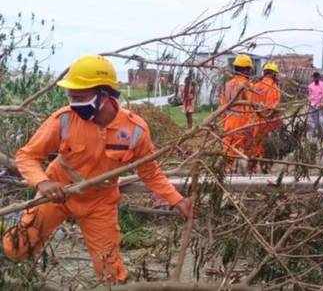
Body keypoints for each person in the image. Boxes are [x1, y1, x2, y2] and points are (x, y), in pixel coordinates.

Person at [2, 55, 192, 284]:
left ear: (104, 95)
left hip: (99, 203)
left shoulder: (135, 130)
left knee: (110, 272)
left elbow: (149, 172)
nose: (73, 102)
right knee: (16, 247)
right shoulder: (64, 120)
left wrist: (176, 199)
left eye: (79, 96)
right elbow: (27, 156)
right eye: (71, 96)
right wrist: (43, 183)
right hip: (58, 192)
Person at [219, 54, 253, 172]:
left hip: (228, 121)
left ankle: (226, 172)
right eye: (249, 69)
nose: (250, 72)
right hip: (241, 122)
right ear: (245, 69)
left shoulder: (228, 84)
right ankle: (241, 176)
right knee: (242, 149)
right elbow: (250, 106)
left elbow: (223, 105)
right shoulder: (246, 84)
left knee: (228, 149)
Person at [249, 61, 281, 169]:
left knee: (254, 144)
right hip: (266, 122)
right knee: (264, 146)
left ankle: (251, 167)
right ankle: (263, 167)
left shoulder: (255, 86)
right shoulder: (273, 87)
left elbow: (250, 104)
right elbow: (271, 108)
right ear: (273, 74)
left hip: (253, 120)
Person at [307, 72, 323, 139]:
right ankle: (314, 135)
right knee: (313, 122)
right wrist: (310, 104)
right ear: (313, 78)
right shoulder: (310, 86)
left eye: (317, 77)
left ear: (319, 77)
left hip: (322, 106)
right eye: (314, 77)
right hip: (313, 106)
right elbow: (309, 96)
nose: (315, 78)